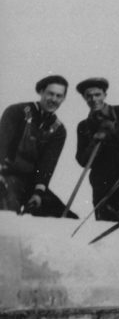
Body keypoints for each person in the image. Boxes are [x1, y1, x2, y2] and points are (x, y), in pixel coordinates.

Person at [0, 75, 77, 218]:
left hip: (29, 183)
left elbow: (47, 165)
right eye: (50, 93)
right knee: (9, 216)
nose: (54, 99)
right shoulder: (17, 111)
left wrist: (38, 193)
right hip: (6, 175)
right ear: (41, 92)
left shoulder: (59, 129)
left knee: (67, 219)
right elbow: (2, 145)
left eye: (59, 96)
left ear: (63, 99)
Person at [75, 77, 119, 221]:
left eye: (97, 94)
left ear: (105, 95)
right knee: (106, 227)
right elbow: (83, 161)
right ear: (84, 98)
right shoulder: (84, 126)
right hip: (102, 184)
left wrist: (115, 130)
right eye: (89, 96)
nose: (93, 99)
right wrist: (95, 140)